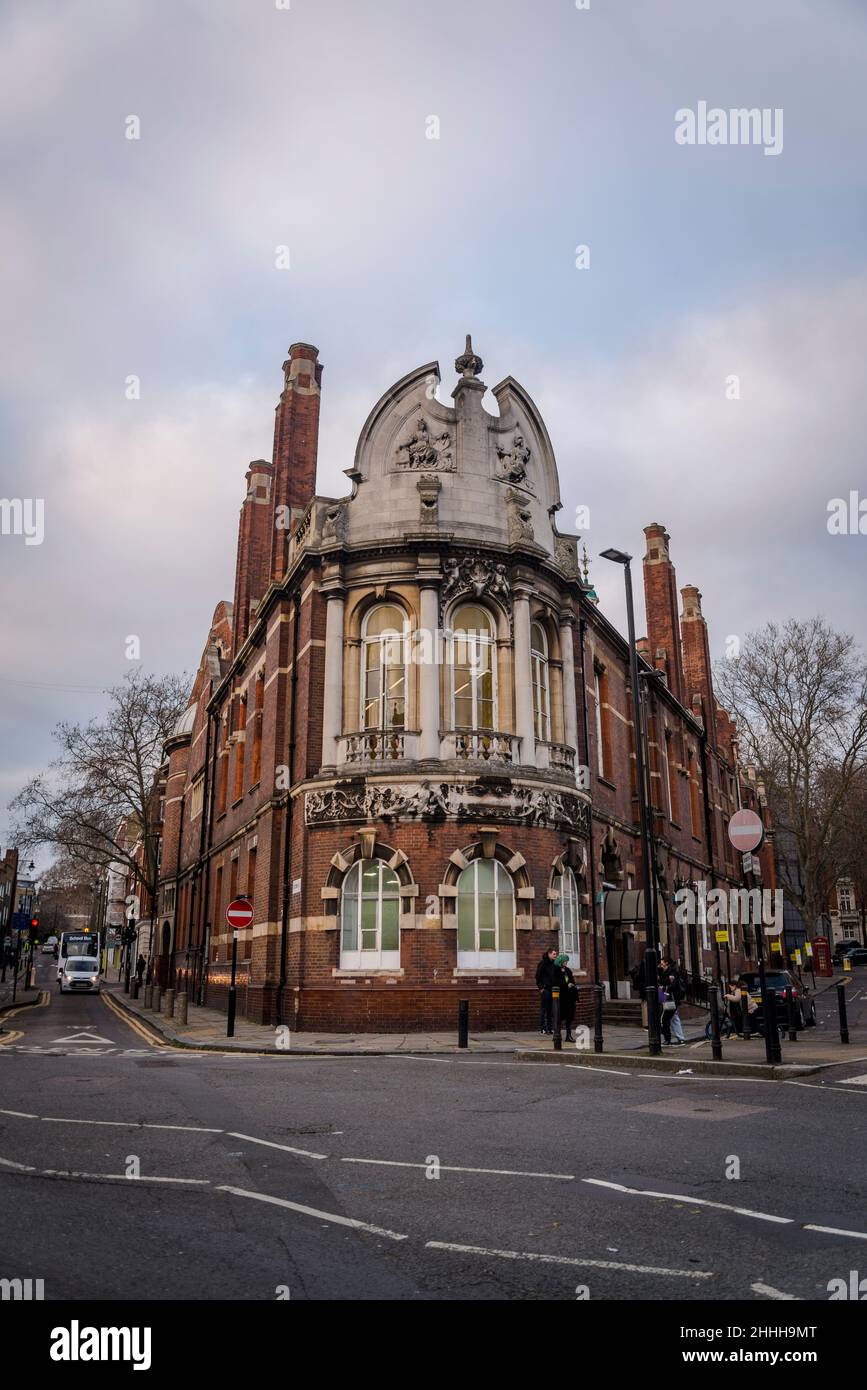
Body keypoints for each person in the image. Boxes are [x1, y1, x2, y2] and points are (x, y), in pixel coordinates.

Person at [659, 954, 686, 1045]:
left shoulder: (672, 972)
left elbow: (672, 985)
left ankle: (667, 1039)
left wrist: (663, 987)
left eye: (662, 963)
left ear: (666, 963)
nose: (661, 965)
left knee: (665, 1019)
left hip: (671, 999)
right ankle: (680, 1038)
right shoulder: (664, 972)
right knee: (674, 1018)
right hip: (667, 998)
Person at [554, 954, 578, 1042]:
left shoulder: (568, 970)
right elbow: (556, 983)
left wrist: (571, 984)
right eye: (565, 961)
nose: (566, 962)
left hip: (569, 998)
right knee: (559, 1017)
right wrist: (566, 985)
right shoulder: (556, 970)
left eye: (566, 961)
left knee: (569, 1017)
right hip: (561, 998)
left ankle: (568, 1035)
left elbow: (572, 981)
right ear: (560, 961)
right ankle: (557, 1035)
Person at [535, 947, 559, 1034]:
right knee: (544, 1009)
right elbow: (537, 976)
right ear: (549, 954)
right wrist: (541, 988)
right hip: (545, 990)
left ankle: (549, 1028)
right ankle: (543, 1028)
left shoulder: (554, 964)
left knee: (551, 1010)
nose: (555, 956)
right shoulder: (543, 963)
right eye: (554, 954)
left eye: (556, 954)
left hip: (553, 989)